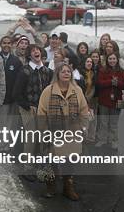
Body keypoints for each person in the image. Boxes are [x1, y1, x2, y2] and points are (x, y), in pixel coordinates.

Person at [37, 63, 88, 201]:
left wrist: (83, 127)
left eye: (68, 72)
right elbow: (41, 112)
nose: (66, 73)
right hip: (52, 132)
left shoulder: (77, 90)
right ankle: (50, 187)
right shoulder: (48, 90)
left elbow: (84, 110)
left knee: (69, 162)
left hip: (72, 132)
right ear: (57, 74)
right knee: (51, 160)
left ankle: (68, 187)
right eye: (63, 71)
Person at [13, 44, 52, 169]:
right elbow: (16, 93)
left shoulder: (47, 71)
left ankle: (43, 161)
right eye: (33, 51)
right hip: (27, 107)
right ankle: (27, 163)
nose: (36, 52)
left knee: (44, 134)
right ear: (30, 55)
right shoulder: (24, 71)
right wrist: (28, 106)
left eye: (38, 50)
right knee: (31, 135)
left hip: (43, 109)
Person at [96, 53, 124, 149]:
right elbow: (99, 83)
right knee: (103, 121)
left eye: (114, 59)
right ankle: (102, 139)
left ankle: (114, 140)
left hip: (118, 100)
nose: (112, 60)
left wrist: (117, 83)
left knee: (114, 122)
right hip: (104, 99)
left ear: (117, 60)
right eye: (110, 59)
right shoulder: (102, 70)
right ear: (107, 60)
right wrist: (110, 82)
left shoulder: (122, 71)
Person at [0, 35, 23, 131]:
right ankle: (0, 145)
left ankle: (10, 145)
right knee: (0, 124)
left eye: (8, 43)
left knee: (12, 124)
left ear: (12, 45)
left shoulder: (16, 61)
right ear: (0, 44)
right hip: (0, 99)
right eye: (4, 43)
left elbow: (20, 80)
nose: (6, 45)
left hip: (12, 98)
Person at [80, 56, 98, 145]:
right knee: (82, 119)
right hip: (82, 99)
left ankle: (89, 138)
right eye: (87, 61)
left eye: (91, 62)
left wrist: (88, 98)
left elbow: (94, 87)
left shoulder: (94, 74)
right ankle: (81, 137)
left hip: (91, 100)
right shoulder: (80, 74)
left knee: (91, 119)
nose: (89, 63)